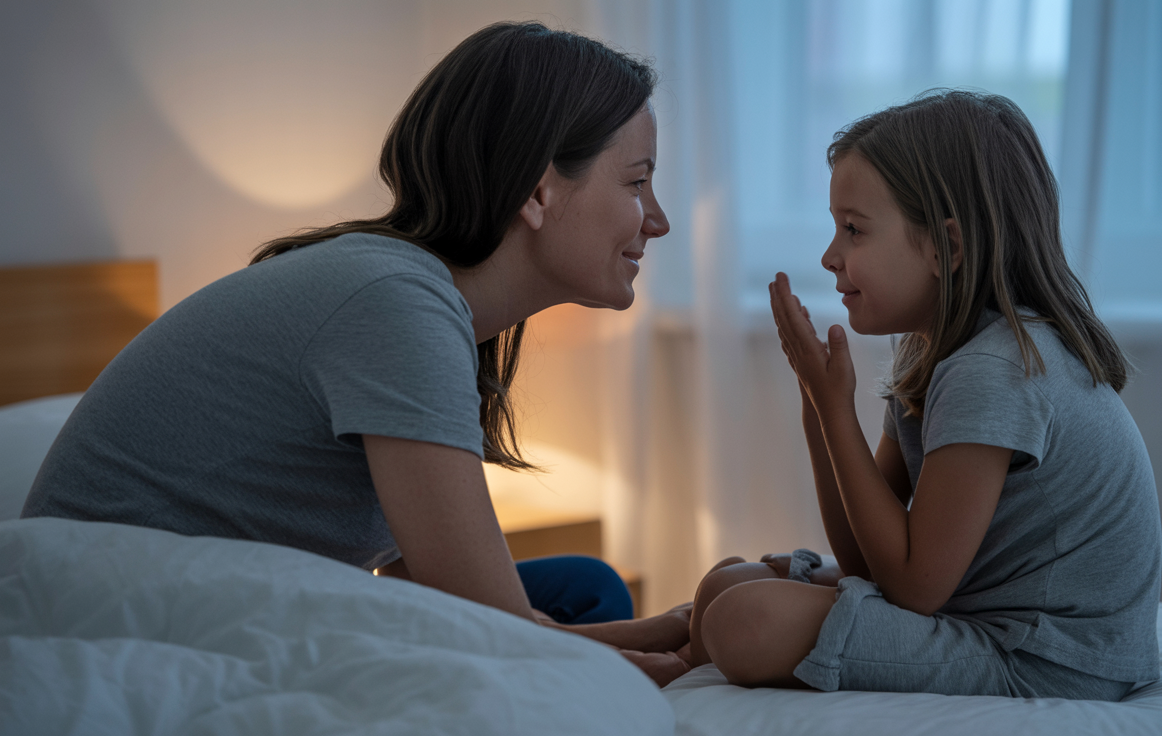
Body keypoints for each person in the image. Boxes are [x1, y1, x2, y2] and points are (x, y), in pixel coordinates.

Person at [23, 22, 692, 685]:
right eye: (636, 183)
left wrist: (671, 630)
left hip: (197, 601)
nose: (657, 220)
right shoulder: (396, 305)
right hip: (118, 619)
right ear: (538, 191)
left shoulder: (412, 298)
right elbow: (491, 621)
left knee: (585, 584)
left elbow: (418, 578)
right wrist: (665, 656)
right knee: (574, 610)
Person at [686, 90, 1161, 700]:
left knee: (743, 618)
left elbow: (913, 587)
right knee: (726, 583)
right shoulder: (935, 352)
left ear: (947, 248)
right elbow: (864, 557)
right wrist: (815, 398)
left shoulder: (994, 370)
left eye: (853, 230)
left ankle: (670, 643)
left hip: (1046, 659)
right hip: (977, 614)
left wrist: (836, 411)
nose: (830, 257)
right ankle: (673, 641)